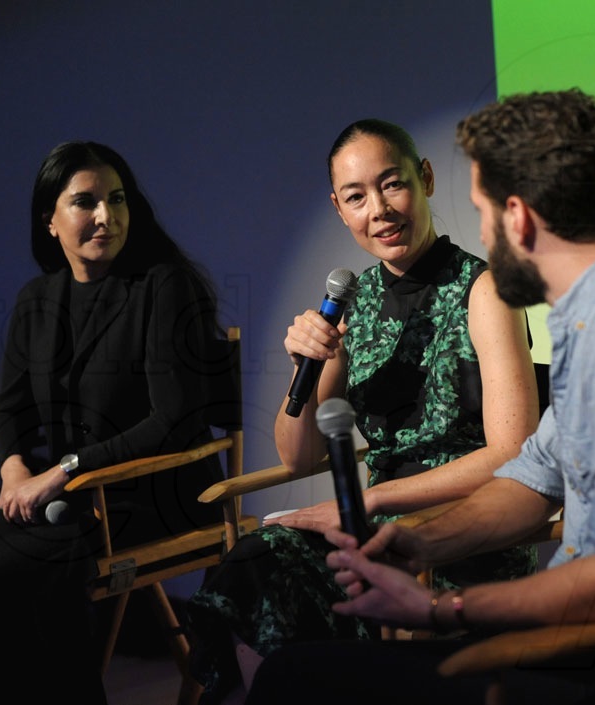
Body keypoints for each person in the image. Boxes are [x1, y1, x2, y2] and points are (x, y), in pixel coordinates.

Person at [244, 88, 595, 705]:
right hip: (579, 642)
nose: (479, 229)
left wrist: (443, 608)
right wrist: (414, 543)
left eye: (483, 208)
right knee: (307, 667)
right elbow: (533, 482)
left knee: (295, 682)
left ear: (519, 216)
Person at [182, 119, 543, 703]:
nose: (378, 209)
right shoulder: (356, 302)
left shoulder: (486, 288)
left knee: (284, 591)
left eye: (392, 185)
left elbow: (513, 454)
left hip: (465, 525)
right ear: (339, 209)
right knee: (256, 567)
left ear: (424, 179)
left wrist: (368, 499)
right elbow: (298, 456)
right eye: (356, 197)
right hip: (372, 527)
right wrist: (305, 363)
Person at [0, 141, 227, 705]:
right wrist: (12, 470)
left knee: (10, 577)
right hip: (68, 497)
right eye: (86, 202)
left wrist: (62, 471)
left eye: (117, 199)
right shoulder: (37, 299)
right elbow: (8, 407)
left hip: (150, 494)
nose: (107, 215)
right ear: (50, 220)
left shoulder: (162, 286)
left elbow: (172, 420)